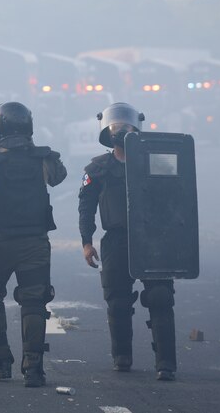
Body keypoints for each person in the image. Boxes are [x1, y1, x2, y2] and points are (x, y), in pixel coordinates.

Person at [0, 102, 68, 388]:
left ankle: (1, 361)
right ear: (29, 127)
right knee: (34, 300)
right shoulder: (44, 160)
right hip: (35, 243)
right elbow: (60, 176)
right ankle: (33, 368)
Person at [78, 102, 178, 381]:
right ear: (107, 131)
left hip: (153, 239)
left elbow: (176, 198)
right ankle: (121, 357)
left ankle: (166, 363)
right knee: (118, 302)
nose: (121, 130)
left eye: (126, 126)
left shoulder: (155, 161)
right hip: (116, 240)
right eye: (116, 126)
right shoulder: (97, 168)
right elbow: (85, 206)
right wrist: (87, 241)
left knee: (160, 297)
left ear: (136, 129)